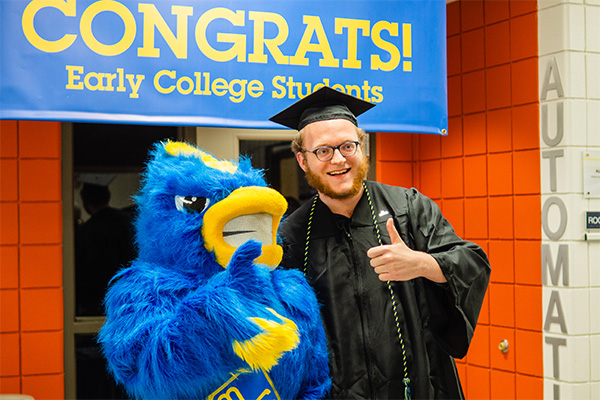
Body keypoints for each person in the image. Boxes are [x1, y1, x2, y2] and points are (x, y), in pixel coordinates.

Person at [270, 87, 491, 399]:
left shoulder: (409, 208)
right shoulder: (291, 237)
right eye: (322, 151)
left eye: (348, 146)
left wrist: (423, 264)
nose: (338, 159)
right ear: (302, 161)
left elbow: (472, 262)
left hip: (417, 388)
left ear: (364, 148)